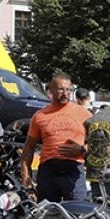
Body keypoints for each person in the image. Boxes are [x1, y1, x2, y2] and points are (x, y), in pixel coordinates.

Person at [21, 72, 89, 203]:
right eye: (60, 89)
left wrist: (82, 149)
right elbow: (29, 147)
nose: (65, 94)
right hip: (48, 171)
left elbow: (101, 144)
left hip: (74, 171)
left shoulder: (83, 113)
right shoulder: (40, 116)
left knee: (78, 213)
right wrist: (25, 174)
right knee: (47, 215)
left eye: (68, 90)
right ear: (51, 90)